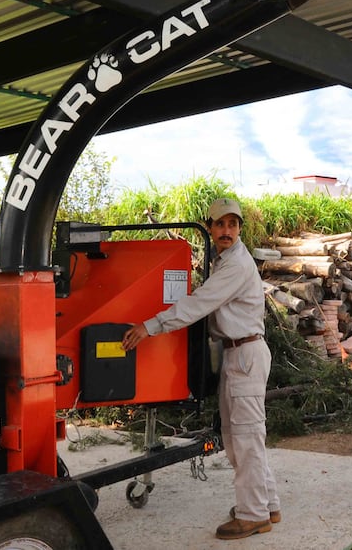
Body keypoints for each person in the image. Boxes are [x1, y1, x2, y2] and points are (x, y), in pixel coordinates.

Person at [121, 197, 280, 540]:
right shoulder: (225, 261)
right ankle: (267, 505)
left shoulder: (236, 264)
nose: (226, 231)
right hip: (238, 354)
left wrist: (150, 326)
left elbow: (199, 304)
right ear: (210, 228)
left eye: (233, 224)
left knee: (245, 437)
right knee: (243, 437)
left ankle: (253, 515)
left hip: (245, 354)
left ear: (239, 228)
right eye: (220, 224)